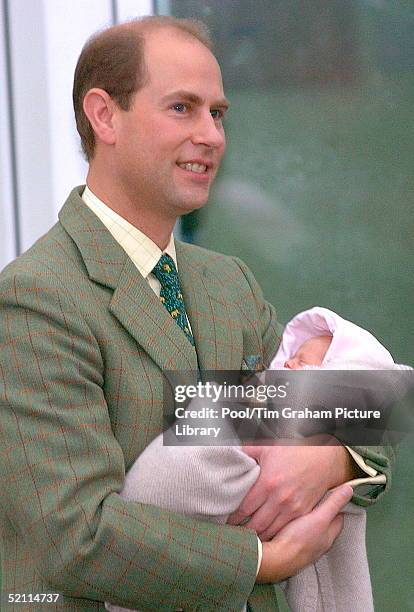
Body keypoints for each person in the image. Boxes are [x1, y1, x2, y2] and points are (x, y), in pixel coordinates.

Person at [0, 17, 392, 611]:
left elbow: (373, 415)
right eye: (182, 108)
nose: (211, 134)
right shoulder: (36, 298)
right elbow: (76, 537)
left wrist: (329, 454)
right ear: (104, 115)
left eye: (218, 112)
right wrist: (269, 560)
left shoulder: (228, 283)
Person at [110, 306, 411, 611]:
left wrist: (333, 458)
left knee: (336, 512)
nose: (289, 362)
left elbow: (387, 410)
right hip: (140, 536)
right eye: (292, 357)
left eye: (304, 362)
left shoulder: (238, 289)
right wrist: (268, 560)